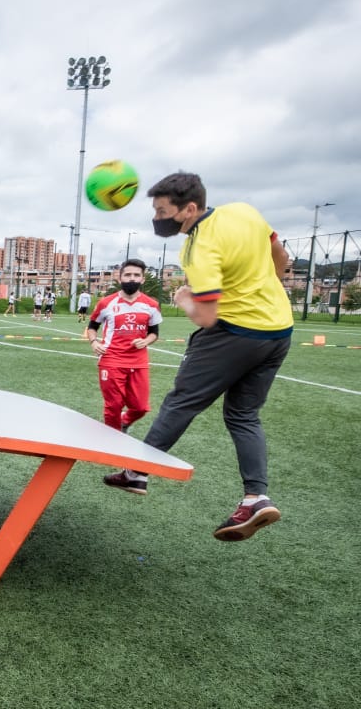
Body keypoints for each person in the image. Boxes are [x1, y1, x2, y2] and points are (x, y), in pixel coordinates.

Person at [103, 172, 293, 542]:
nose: (158, 218)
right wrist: (267, 288)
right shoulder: (244, 212)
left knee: (181, 402)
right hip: (279, 330)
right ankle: (256, 496)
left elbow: (206, 316)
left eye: (162, 211)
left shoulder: (196, 247)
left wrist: (185, 298)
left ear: (190, 209)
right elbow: (279, 254)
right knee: (243, 414)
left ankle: (137, 471)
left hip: (231, 334)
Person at [85, 259, 161, 432]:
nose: (132, 278)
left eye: (136, 275)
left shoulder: (151, 305)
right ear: (120, 279)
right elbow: (92, 327)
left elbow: (154, 333)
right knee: (114, 405)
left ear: (143, 279)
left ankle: (124, 421)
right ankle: (113, 441)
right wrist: (94, 341)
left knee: (141, 407)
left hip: (138, 361)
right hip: (111, 360)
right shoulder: (106, 303)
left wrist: (146, 341)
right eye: (127, 275)